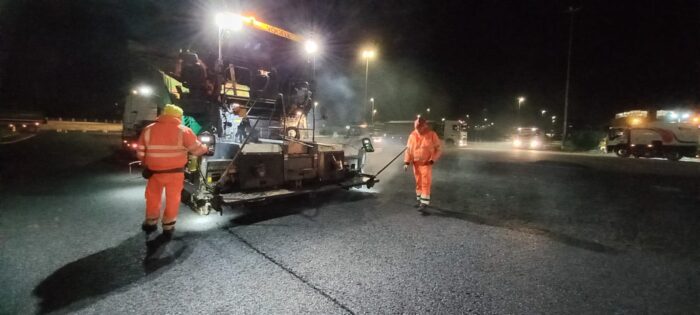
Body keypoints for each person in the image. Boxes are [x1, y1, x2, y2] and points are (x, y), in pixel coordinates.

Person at [136, 104, 209, 239]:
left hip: (154, 172)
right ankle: (168, 226)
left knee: (152, 197)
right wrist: (206, 147)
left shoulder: (148, 129)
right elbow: (197, 150)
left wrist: (145, 163)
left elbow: (140, 151)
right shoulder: (184, 130)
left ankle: (151, 222)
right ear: (178, 116)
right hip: (175, 173)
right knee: (173, 198)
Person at [404, 117, 442, 212]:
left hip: (426, 163)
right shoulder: (412, 135)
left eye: (420, 128)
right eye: (417, 128)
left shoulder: (432, 135)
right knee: (418, 182)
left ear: (424, 126)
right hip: (416, 163)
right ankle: (419, 200)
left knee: (425, 182)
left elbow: (439, 149)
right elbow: (408, 150)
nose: (419, 130)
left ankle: (424, 203)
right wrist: (406, 162)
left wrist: (432, 160)